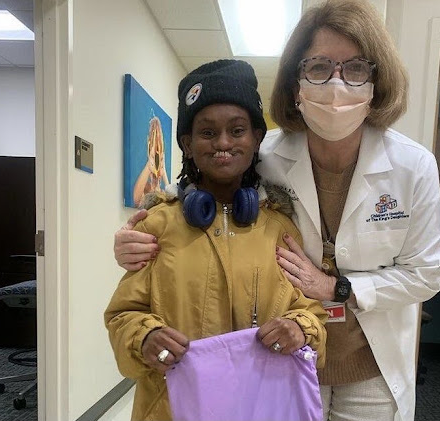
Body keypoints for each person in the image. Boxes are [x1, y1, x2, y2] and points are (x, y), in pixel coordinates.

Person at [113, 1, 440, 420]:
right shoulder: (264, 153)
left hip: (367, 360)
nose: (337, 85)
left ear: (377, 81)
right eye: (320, 67)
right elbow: (203, 194)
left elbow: (427, 272)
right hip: (275, 361)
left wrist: (338, 289)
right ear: (295, 83)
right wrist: (138, 233)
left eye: (357, 68)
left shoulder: (412, 166)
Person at [105, 59, 327, 421]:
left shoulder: (279, 228)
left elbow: (312, 312)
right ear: (187, 144)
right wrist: (144, 338)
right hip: (172, 406)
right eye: (207, 133)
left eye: (237, 130)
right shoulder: (157, 225)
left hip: (261, 405)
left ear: (256, 139)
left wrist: (300, 328)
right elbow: (122, 314)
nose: (223, 142)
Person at [133, 116, 170, 207]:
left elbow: (172, 201)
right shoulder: (146, 187)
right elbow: (137, 200)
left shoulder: (162, 192)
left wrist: (163, 170)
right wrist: (149, 165)